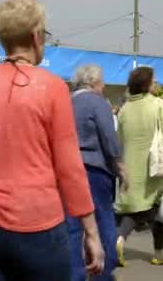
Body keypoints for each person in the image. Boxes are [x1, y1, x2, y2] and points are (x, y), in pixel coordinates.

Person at [0, 0, 104, 280]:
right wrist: (91, 232)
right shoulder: (52, 88)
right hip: (38, 225)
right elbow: (69, 167)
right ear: (37, 36)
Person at [115, 66, 163, 266]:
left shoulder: (125, 109)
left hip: (132, 167)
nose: (157, 84)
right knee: (160, 209)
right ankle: (159, 254)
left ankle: (119, 239)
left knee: (135, 210)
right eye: (154, 81)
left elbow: (120, 140)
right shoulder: (157, 104)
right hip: (157, 167)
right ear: (146, 84)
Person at [67, 64, 127, 280]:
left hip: (69, 169)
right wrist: (121, 169)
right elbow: (109, 140)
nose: (103, 88)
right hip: (94, 170)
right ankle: (103, 271)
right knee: (102, 222)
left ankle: (75, 273)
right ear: (93, 82)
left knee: (73, 227)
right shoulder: (97, 102)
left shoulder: (68, 101)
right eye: (102, 83)